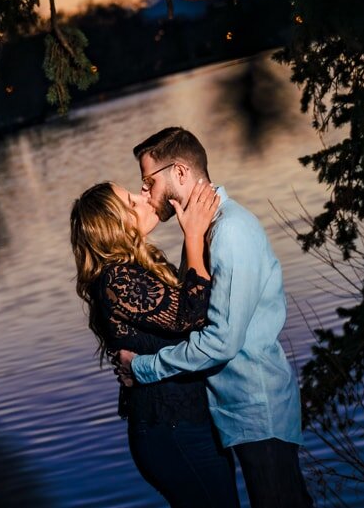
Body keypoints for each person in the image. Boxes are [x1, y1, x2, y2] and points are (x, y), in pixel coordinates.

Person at [118, 126, 314, 508]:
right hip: (235, 412)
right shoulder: (205, 233)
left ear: (179, 172)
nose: (145, 193)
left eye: (147, 181)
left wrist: (144, 367)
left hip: (257, 411)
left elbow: (221, 342)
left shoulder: (230, 232)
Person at [70, 179, 238, 508]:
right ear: (114, 227)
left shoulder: (135, 269)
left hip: (187, 423)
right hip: (172, 431)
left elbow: (186, 300)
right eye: (132, 203)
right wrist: (192, 234)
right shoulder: (117, 279)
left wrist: (197, 233)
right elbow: (191, 316)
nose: (144, 199)